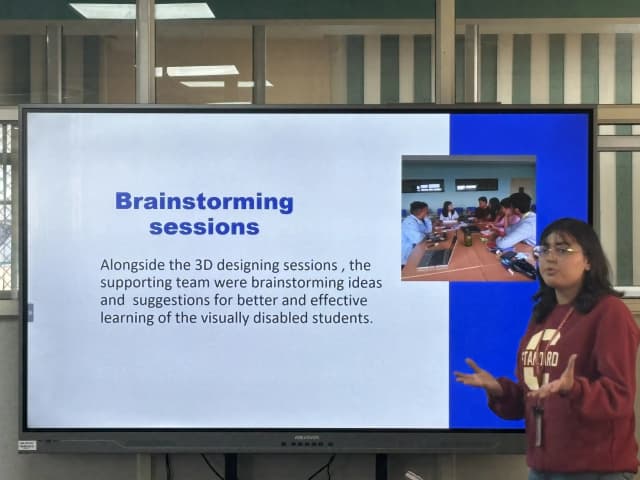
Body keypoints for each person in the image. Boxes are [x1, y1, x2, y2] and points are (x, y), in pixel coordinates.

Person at [455, 218, 640, 479]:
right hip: (542, 467)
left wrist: (573, 389)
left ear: (589, 260)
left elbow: (618, 398)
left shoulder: (609, 312)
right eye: (544, 249)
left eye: (563, 249)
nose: (550, 257)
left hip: (596, 470)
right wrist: (499, 390)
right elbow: (532, 396)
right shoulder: (543, 315)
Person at [401, 201, 432, 266]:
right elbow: (418, 239)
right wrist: (425, 235)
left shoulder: (418, 220)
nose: (428, 211)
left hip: (417, 249)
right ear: (422, 211)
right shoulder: (409, 222)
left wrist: (426, 218)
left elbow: (428, 231)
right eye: (427, 210)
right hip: (409, 254)